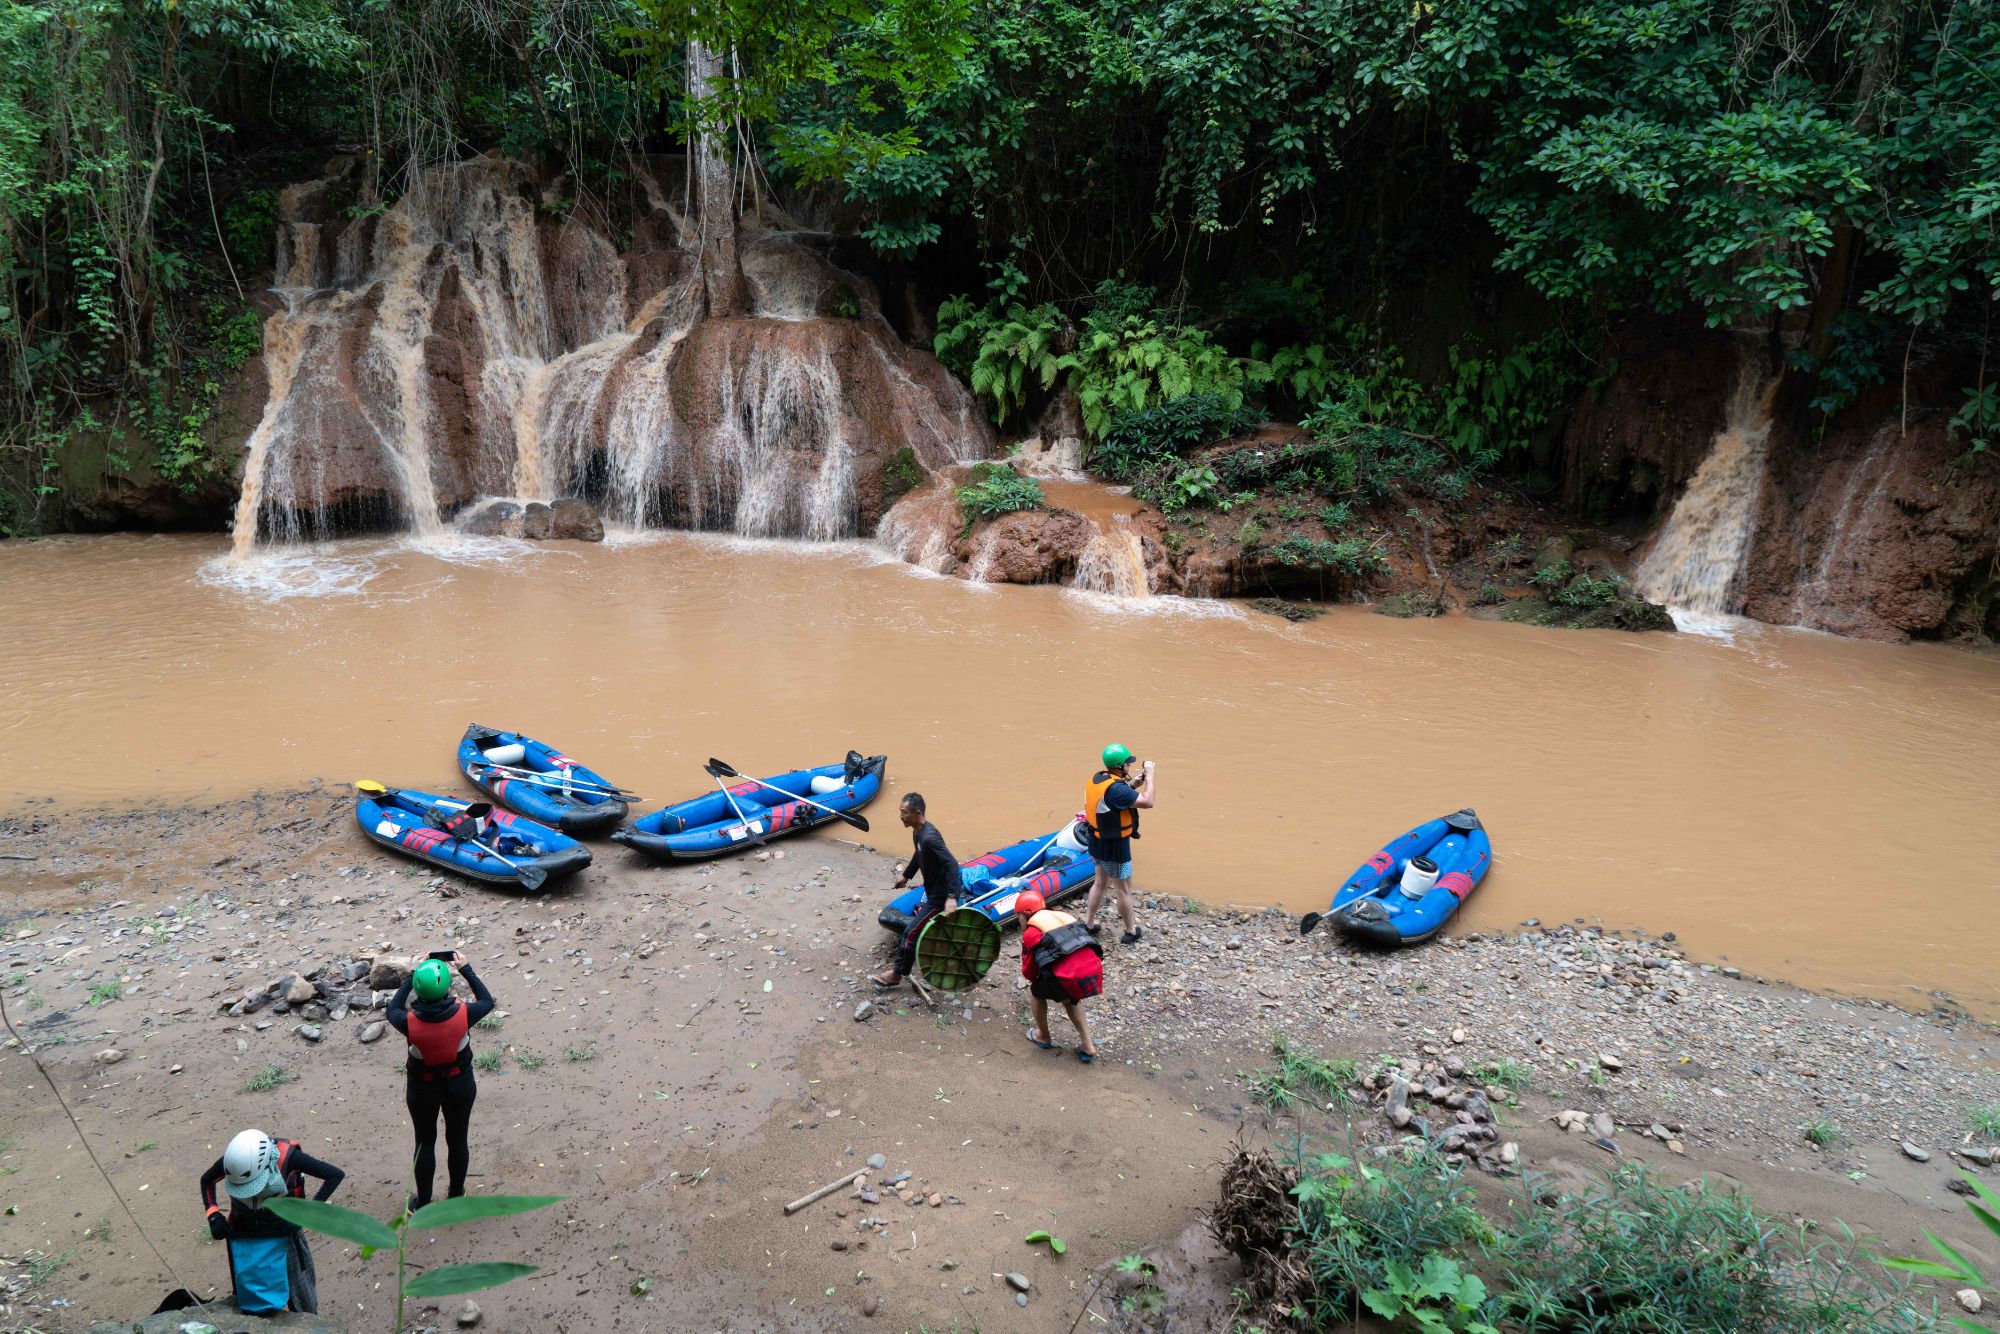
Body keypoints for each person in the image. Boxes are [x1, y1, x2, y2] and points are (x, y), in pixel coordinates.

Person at [387, 951, 496, 1210]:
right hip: (460, 1085)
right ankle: (456, 1195)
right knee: (457, 1140)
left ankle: (423, 1201)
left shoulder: (407, 1022)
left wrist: (411, 973)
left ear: (417, 989)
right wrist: (466, 969)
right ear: (447, 987)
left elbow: (392, 1008)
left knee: (424, 1142)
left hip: (422, 1088)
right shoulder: (465, 1014)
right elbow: (487, 1000)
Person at [198, 1128, 345, 1314]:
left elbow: (334, 1175)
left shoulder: (288, 1158)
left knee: (301, 1295)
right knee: (249, 1290)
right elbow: (206, 1181)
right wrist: (213, 1215)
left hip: (285, 1233)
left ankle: (309, 1321)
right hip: (243, 1233)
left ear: (269, 1164)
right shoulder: (234, 1162)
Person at [869, 793, 961, 989]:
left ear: (917, 813)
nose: (900, 816)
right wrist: (907, 876)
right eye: (900, 812)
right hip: (933, 890)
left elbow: (952, 864)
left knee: (910, 932)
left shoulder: (929, 837)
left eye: (904, 813)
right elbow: (918, 855)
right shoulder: (918, 832)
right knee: (921, 930)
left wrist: (952, 897)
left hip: (940, 896)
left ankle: (897, 974)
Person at [1015, 889, 1102, 1063]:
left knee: (1036, 993)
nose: (1019, 920)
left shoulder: (1031, 932)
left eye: (1019, 916)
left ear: (1027, 914)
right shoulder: (1062, 916)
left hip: (1069, 975)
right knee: (1071, 1000)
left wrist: (1040, 977)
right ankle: (1088, 1045)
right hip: (1093, 969)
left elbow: (1028, 972)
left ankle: (1043, 1036)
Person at [1083, 743, 1155, 944]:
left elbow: (1114, 798)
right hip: (1115, 845)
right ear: (1120, 766)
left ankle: (1088, 923)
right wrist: (1150, 776)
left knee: (1100, 882)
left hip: (1096, 841)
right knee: (1123, 888)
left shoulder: (1099, 779)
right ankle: (1131, 931)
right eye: (1128, 764)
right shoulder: (1116, 789)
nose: (1130, 767)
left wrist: (1133, 785)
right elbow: (1148, 801)